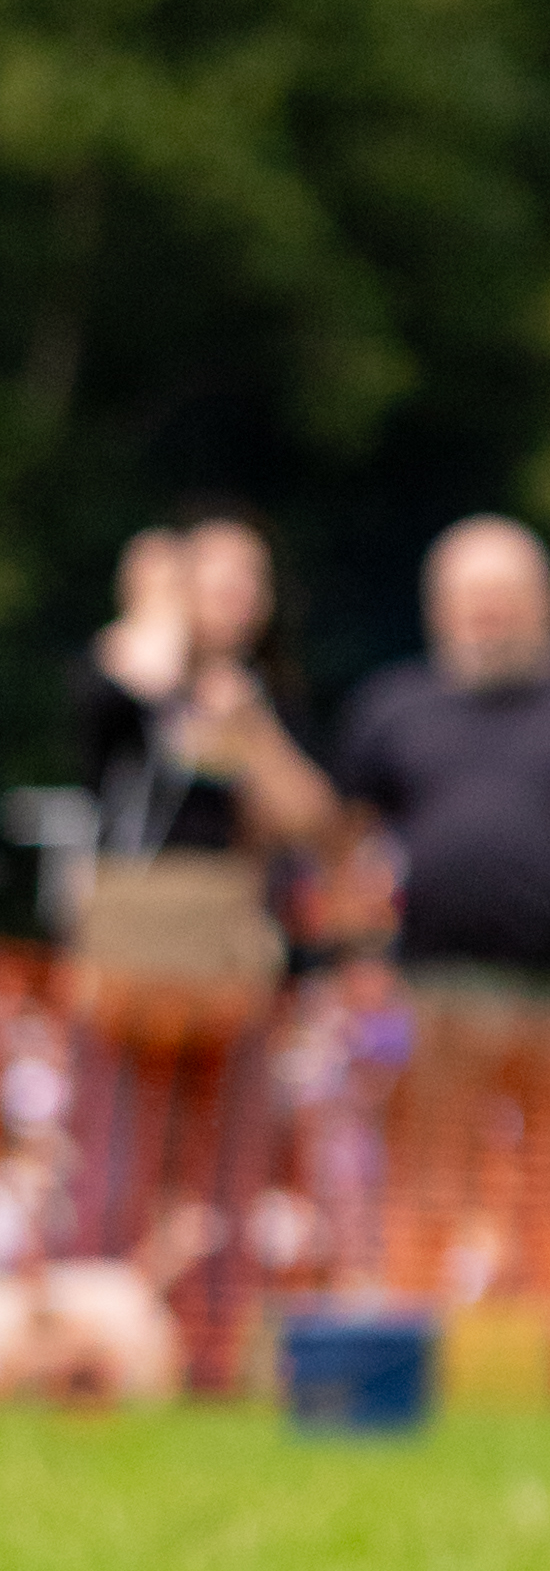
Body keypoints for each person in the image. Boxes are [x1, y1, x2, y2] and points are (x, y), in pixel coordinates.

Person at [336, 518, 550, 1395]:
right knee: (428, 1179)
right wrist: (360, 951)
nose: (489, 616)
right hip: (438, 987)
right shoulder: (394, 707)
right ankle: (411, 1354)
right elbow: (349, 839)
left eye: (505, 598)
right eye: (471, 601)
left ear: (545, 604)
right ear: (440, 611)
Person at [64, 513, 337, 1392]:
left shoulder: (267, 699)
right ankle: (85, 1351)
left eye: (249, 581)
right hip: (129, 953)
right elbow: (98, 713)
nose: (236, 597)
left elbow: (309, 824)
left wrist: (247, 727)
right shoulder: (123, 673)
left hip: (228, 957)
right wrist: (160, 629)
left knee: (229, 1171)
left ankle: (211, 1356)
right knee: (109, 1163)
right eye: (215, 578)